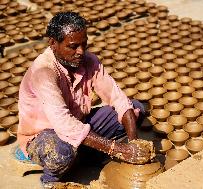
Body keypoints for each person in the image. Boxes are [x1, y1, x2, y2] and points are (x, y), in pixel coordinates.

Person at [17, 11, 152, 187]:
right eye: (73, 46)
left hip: (78, 121)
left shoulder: (88, 60)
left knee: (135, 109)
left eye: (84, 44)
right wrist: (118, 149)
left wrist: (134, 144)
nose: (80, 51)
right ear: (53, 43)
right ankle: (51, 180)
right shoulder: (44, 73)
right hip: (45, 134)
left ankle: (85, 156)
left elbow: (118, 99)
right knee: (61, 152)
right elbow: (65, 125)